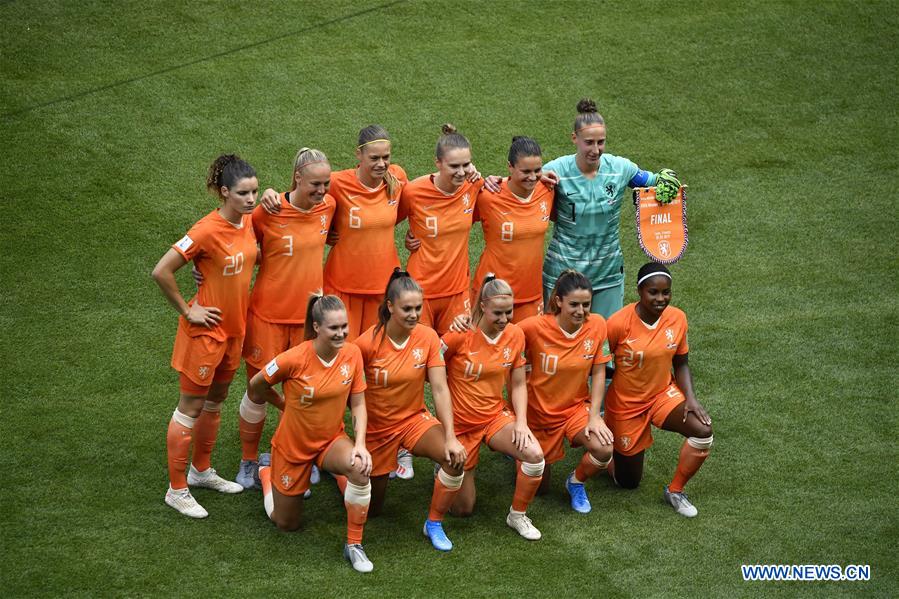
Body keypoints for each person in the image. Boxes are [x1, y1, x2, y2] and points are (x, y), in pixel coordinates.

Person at [152, 154, 258, 518]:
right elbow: (162, 270)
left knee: (215, 402)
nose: (251, 199)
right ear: (225, 192)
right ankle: (177, 489)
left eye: (255, 191)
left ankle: (201, 471)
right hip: (206, 334)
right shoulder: (205, 230)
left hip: (234, 331)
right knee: (191, 407)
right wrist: (188, 309)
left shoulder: (247, 223)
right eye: (243, 193)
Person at [234, 148, 336, 491]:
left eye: (326, 184)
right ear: (296, 179)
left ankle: (299, 456)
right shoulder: (268, 210)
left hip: (309, 322)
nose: (322, 191)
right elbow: (236, 241)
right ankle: (249, 460)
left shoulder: (329, 207)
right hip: (267, 315)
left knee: (305, 390)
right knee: (258, 388)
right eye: (315, 184)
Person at [249, 294, 375, 572]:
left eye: (344, 326)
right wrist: (282, 404)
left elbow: (358, 402)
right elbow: (256, 384)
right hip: (292, 448)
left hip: (330, 441)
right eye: (334, 328)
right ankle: (266, 473)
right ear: (317, 327)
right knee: (286, 524)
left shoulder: (352, 354)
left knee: (360, 467)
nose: (341, 333)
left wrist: (361, 444)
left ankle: (354, 545)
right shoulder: (293, 359)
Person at [258, 126, 408, 342]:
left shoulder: (397, 178)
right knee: (340, 352)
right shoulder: (336, 183)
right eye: (374, 157)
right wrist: (270, 193)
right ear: (359, 154)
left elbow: (406, 209)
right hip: (342, 286)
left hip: (383, 286)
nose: (381, 164)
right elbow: (303, 199)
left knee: (377, 352)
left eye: (386, 157)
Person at [353, 269, 467, 551]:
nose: (414, 314)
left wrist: (451, 435)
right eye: (407, 308)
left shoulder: (428, 338)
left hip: (414, 420)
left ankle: (434, 523)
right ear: (390, 306)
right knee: (374, 510)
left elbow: (440, 388)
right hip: (378, 430)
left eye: (418, 307)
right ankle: (344, 473)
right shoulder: (365, 344)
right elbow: (350, 394)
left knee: (453, 459)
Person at [542, 98, 681, 319]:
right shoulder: (554, 170)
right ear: (574, 138)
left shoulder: (620, 168)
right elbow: (520, 185)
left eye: (601, 142)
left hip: (607, 274)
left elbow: (654, 181)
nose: (596, 150)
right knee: (560, 343)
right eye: (589, 142)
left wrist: (667, 179)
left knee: (605, 343)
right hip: (564, 273)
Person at [604, 262, 713, 517]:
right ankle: (605, 450)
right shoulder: (617, 324)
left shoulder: (677, 318)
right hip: (626, 406)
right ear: (639, 291)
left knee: (703, 432)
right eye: (653, 292)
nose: (660, 298)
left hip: (662, 395)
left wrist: (691, 399)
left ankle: (675, 490)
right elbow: (598, 367)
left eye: (666, 293)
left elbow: (681, 362)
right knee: (628, 482)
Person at [441, 274, 545, 540]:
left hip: (494, 419)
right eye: (497, 313)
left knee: (534, 455)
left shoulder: (514, 335)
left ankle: (518, 515)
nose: (504, 319)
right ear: (482, 307)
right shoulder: (459, 336)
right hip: (461, 426)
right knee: (463, 510)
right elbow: (429, 370)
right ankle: (444, 466)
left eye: (508, 312)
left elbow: (519, 383)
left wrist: (521, 422)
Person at [518, 270, 615, 513]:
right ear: (558, 301)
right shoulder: (533, 327)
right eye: (573, 304)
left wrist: (594, 416)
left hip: (574, 410)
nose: (580, 311)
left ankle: (576, 482)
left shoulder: (597, 326)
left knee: (604, 449)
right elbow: (498, 335)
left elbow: (600, 372)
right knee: (539, 487)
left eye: (585, 304)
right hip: (537, 416)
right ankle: (516, 451)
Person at [400, 124, 484, 335]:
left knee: (458, 353)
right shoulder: (413, 192)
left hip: (457, 291)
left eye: (466, 165)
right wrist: (408, 239)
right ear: (437, 163)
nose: (461, 172)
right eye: (454, 166)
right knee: (420, 356)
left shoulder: (474, 186)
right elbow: (386, 220)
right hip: (420, 292)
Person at [471, 136, 554, 323]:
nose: (532, 177)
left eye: (537, 170)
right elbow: (456, 219)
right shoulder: (488, 195)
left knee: (527, 349)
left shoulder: (547, 190)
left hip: (531, 294)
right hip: (492, 293)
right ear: (510, 167)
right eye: (525, 171)